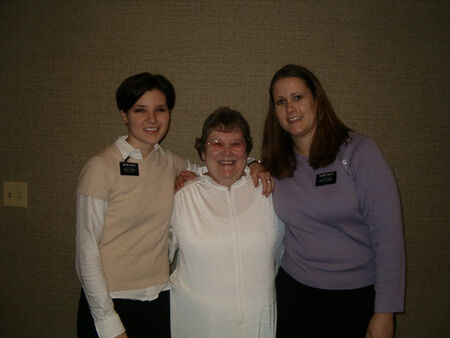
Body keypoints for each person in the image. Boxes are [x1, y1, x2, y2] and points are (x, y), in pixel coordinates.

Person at [75, 73, 272, 338]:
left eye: (160, 109)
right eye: (140, 110)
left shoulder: (170, 163)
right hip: (111, 302)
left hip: (158, 300)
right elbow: (86, 252)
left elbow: (220, 166)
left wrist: (253, 163)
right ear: (124, 115)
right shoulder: (101, 167)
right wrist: (108, 320)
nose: (152, 119)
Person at [261, 64, 405, 338]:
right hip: (295, 296)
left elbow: (389, 238)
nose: (290, 109)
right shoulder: (277, 164)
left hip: (356, 298)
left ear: (317, 99)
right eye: (281, 102)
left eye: (297, 97)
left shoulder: (359, 153)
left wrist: (385, 312)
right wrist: (256, 165)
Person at [169, 107, 285, 338]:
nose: (226, 152)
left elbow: (283, 254)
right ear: (202, 151)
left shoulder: (269, 191)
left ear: (247, 150)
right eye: (216, 143)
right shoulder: (182, 196)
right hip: (199, 324)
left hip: (257, 323)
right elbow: (156, 256)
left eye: (236, 144)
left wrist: (256, 163)